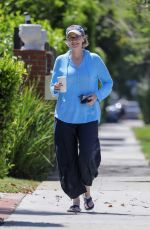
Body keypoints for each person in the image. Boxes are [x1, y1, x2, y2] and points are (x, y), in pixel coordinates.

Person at [50, 25, 113, 213]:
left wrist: (97, 96)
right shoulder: (61, 60)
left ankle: (87, 191)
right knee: (66, 159)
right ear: (67, 41)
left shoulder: (94, 60)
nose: (74, 40)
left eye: (77, 37)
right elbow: (53, 89)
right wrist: (55, 86)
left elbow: (108, 83)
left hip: (88, 117)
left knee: (87, 156)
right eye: (70, 38)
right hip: (64, 117)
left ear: (83, 39)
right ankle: (76, 201)